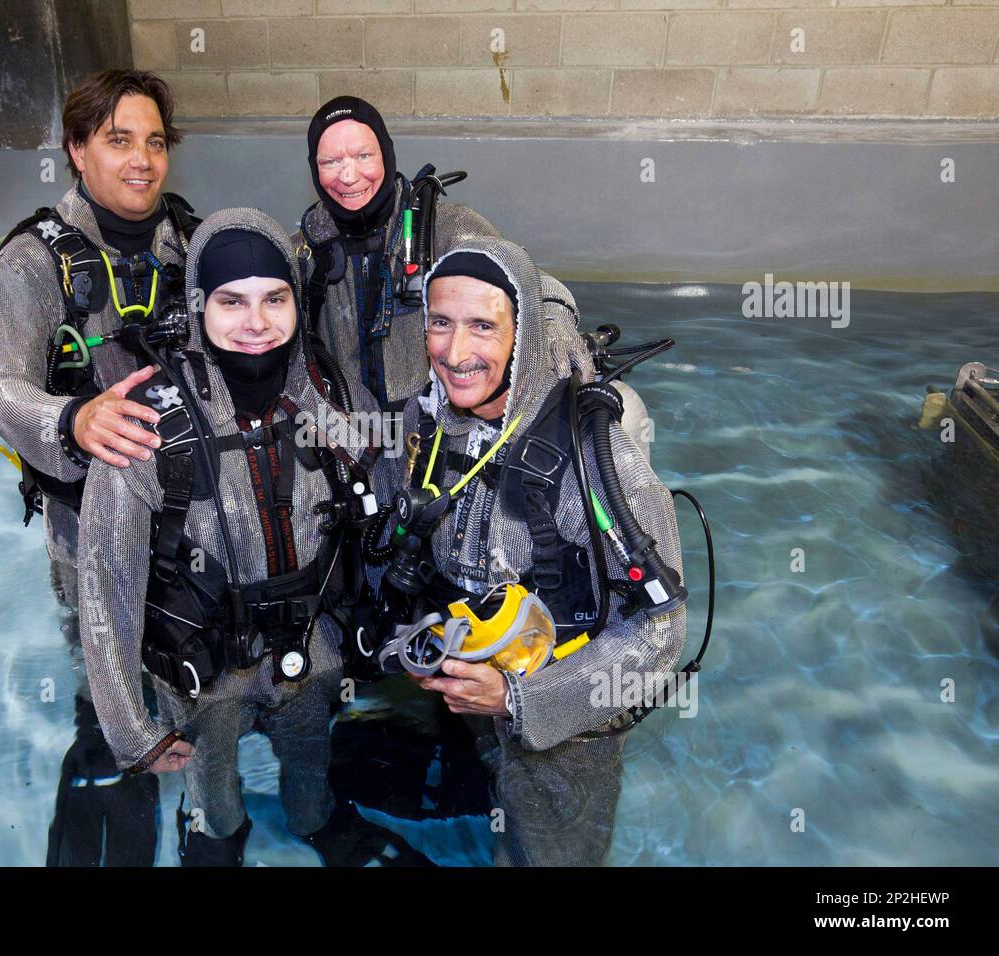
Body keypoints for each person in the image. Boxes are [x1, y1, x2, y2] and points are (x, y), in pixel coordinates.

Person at [77, 207, 429, 867]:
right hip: (203, 668)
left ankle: (313, 818)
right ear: (198, 308)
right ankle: (216, 835)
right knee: (213, 795)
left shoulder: (326, 390)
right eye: (231, 301)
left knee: (309, 769)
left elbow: (378, 497)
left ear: (298, 303)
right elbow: (106, 588)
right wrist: (132, 733)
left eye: (275, 298)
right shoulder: (141, 426)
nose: (256, 322)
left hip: (311, 648)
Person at [368, 238, 688, 865]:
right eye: (440, 322)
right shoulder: (424, 422)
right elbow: (397, 539)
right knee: (490, 818)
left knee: (550, 853)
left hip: (568, 724)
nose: (455, 353)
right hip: (468, 693)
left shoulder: (593, 459)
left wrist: (519, 701)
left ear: (525, 333)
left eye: (483, 326)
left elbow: (660, 635)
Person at [0, 69, 198, 865]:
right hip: (83, 529)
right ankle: (106, 767)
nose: (141, 159)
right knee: (101, 670)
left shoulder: (191, 241)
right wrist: (73, 417)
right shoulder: (31, 263)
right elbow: (2, 392)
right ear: (76, 150)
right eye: (117, 140)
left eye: (153, 141)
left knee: (176, 660)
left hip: (181, 522)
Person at [294, 96, 501, 406]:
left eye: (363, 155)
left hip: (432, 428)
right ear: (314, 169)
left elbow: (530, 286)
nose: (349, 176)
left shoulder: (448, 229)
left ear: (386, 155)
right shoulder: (302, 251)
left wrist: (553, 327)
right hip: (347, 430)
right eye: (330, 162)